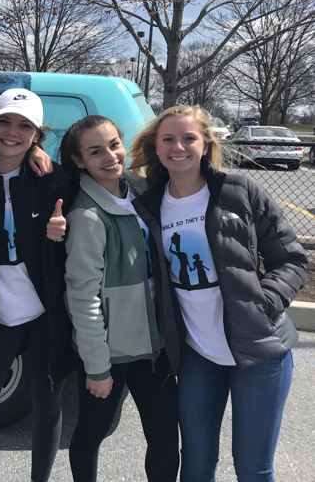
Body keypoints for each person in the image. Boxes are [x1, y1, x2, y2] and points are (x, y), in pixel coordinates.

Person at [130, 105, 307, 482]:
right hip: (199, 356)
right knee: (195, 465)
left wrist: (264, 303)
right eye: (168, 139)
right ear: (156, 147)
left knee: (253, 468)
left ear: (206, 143)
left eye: (189, 138)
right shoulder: (147, 205)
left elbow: (291, 258)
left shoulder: (239, 191)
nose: (179, 146)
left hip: (260, 351)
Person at [0, 89, 74, 482]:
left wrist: (65, 231)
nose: (12, 132)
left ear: (37, 135)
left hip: (45, 313)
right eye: (4, 121)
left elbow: (88, 236)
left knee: (48, 405)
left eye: (25, 126)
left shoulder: (52, 178)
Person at [59, 115, 179, 482]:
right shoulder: (87, 216)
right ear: (79, 161)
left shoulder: (140, 190)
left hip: (152, 346)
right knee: (92, 433)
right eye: (96, 151)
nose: (110, 156)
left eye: (114, 145)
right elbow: (83, 298)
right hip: (111, 352)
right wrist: (97, 366)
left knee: (164, 438)